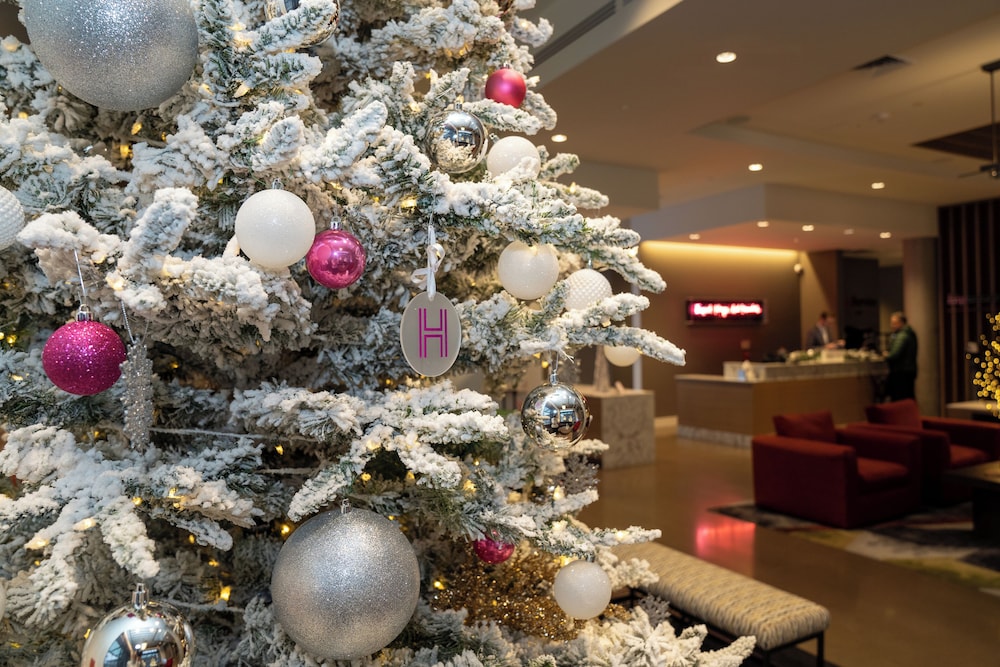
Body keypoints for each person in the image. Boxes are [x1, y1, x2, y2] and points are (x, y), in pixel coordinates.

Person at [884, 311, 918, 401]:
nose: (892, 325)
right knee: (908, 397)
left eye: (894, 323)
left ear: (901, 323)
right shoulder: (909, 333)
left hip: (901, 371)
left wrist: (886, 355)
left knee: (900, 398)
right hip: (908, 370)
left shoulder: (902, 336)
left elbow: (894, 354)